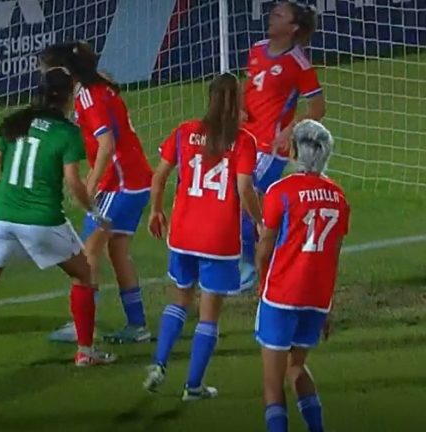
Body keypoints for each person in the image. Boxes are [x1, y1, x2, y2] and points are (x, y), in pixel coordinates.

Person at [0, 67, 116, 369]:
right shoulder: (67, 133)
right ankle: (85, 351)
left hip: (3, 215)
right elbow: (72, 182)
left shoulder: (16, 122)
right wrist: (93, 210)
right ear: (68, 97)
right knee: (84, 274)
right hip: (41, 219)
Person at [142, 73, 263, 400]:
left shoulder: (185, 132)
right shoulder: (244, 141)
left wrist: (155, 210)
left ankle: (158, 365)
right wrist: (260, 220)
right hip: (219, 240)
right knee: (208, 313)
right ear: (238, 101)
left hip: (182, 233)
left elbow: (159, 176)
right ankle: (193, 387)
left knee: (179, 300)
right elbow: (244, 188)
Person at [40, 41, 154, 344]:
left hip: (120, 184)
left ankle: (82, 326)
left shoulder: (88, 96)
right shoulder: (100, 88)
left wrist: (88, 187)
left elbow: (107, 145)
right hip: (136, 181)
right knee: (118, 252)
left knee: (87, 254)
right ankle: (138, 325)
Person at [255, 120, 350, 432]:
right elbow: (333, 255)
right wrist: (328, 306)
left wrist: (261, 281)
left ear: (295, 151)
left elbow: (265, 247)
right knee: (296, 367)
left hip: (281, 294)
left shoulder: (280, 191)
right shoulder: (339, 197)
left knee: (272, 388)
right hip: (317, 298)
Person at [240, 1, 326, 289]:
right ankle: (265, 255)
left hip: (271, 148)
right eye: (273, 12)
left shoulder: (299, 63)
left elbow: (317, 107)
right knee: (242, 200)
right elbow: (249, 85)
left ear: (293, 28)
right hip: (245, 139)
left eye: (280, 15)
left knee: (245, 197)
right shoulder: (256, 48)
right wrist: (239, 107)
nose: (272, 17)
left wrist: (290, 129)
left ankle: (250, 267)